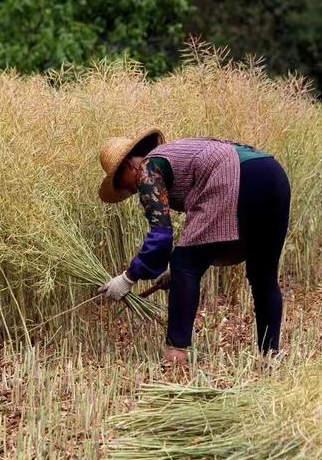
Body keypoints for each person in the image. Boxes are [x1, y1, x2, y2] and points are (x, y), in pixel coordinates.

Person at [97, 128, 291, 365]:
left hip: (235, 174)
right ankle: (271, 355)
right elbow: (214, 234)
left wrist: (128, 278)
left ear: (128, 166)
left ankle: (175, 356)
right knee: (263, 273)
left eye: (122, 184)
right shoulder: (171, 155)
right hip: (272, 173)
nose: (129, 191)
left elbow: (161, 236)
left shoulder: (146, 169)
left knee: (184, 262)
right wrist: (176, 272)